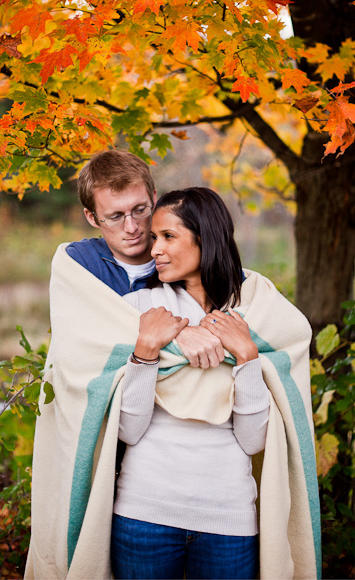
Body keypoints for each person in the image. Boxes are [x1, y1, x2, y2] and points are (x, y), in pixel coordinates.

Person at [112, 187, 270, 579]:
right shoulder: (139, 310)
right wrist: (146, 352)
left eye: (168, 237)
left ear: (206, 238)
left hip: (228, 518)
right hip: (142, 511)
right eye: (153, 238)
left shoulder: (256, 311)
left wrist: (247, 358)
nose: (154, 250)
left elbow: (254, 441)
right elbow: (128, 430)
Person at [66, 150, 228, 369]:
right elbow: (81, 339)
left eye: (140, 210)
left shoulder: (180, 264)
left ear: (153, 197)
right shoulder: (80, 262)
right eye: (115, 217)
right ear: (92, 217)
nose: (131, 227)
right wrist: (178, 333)